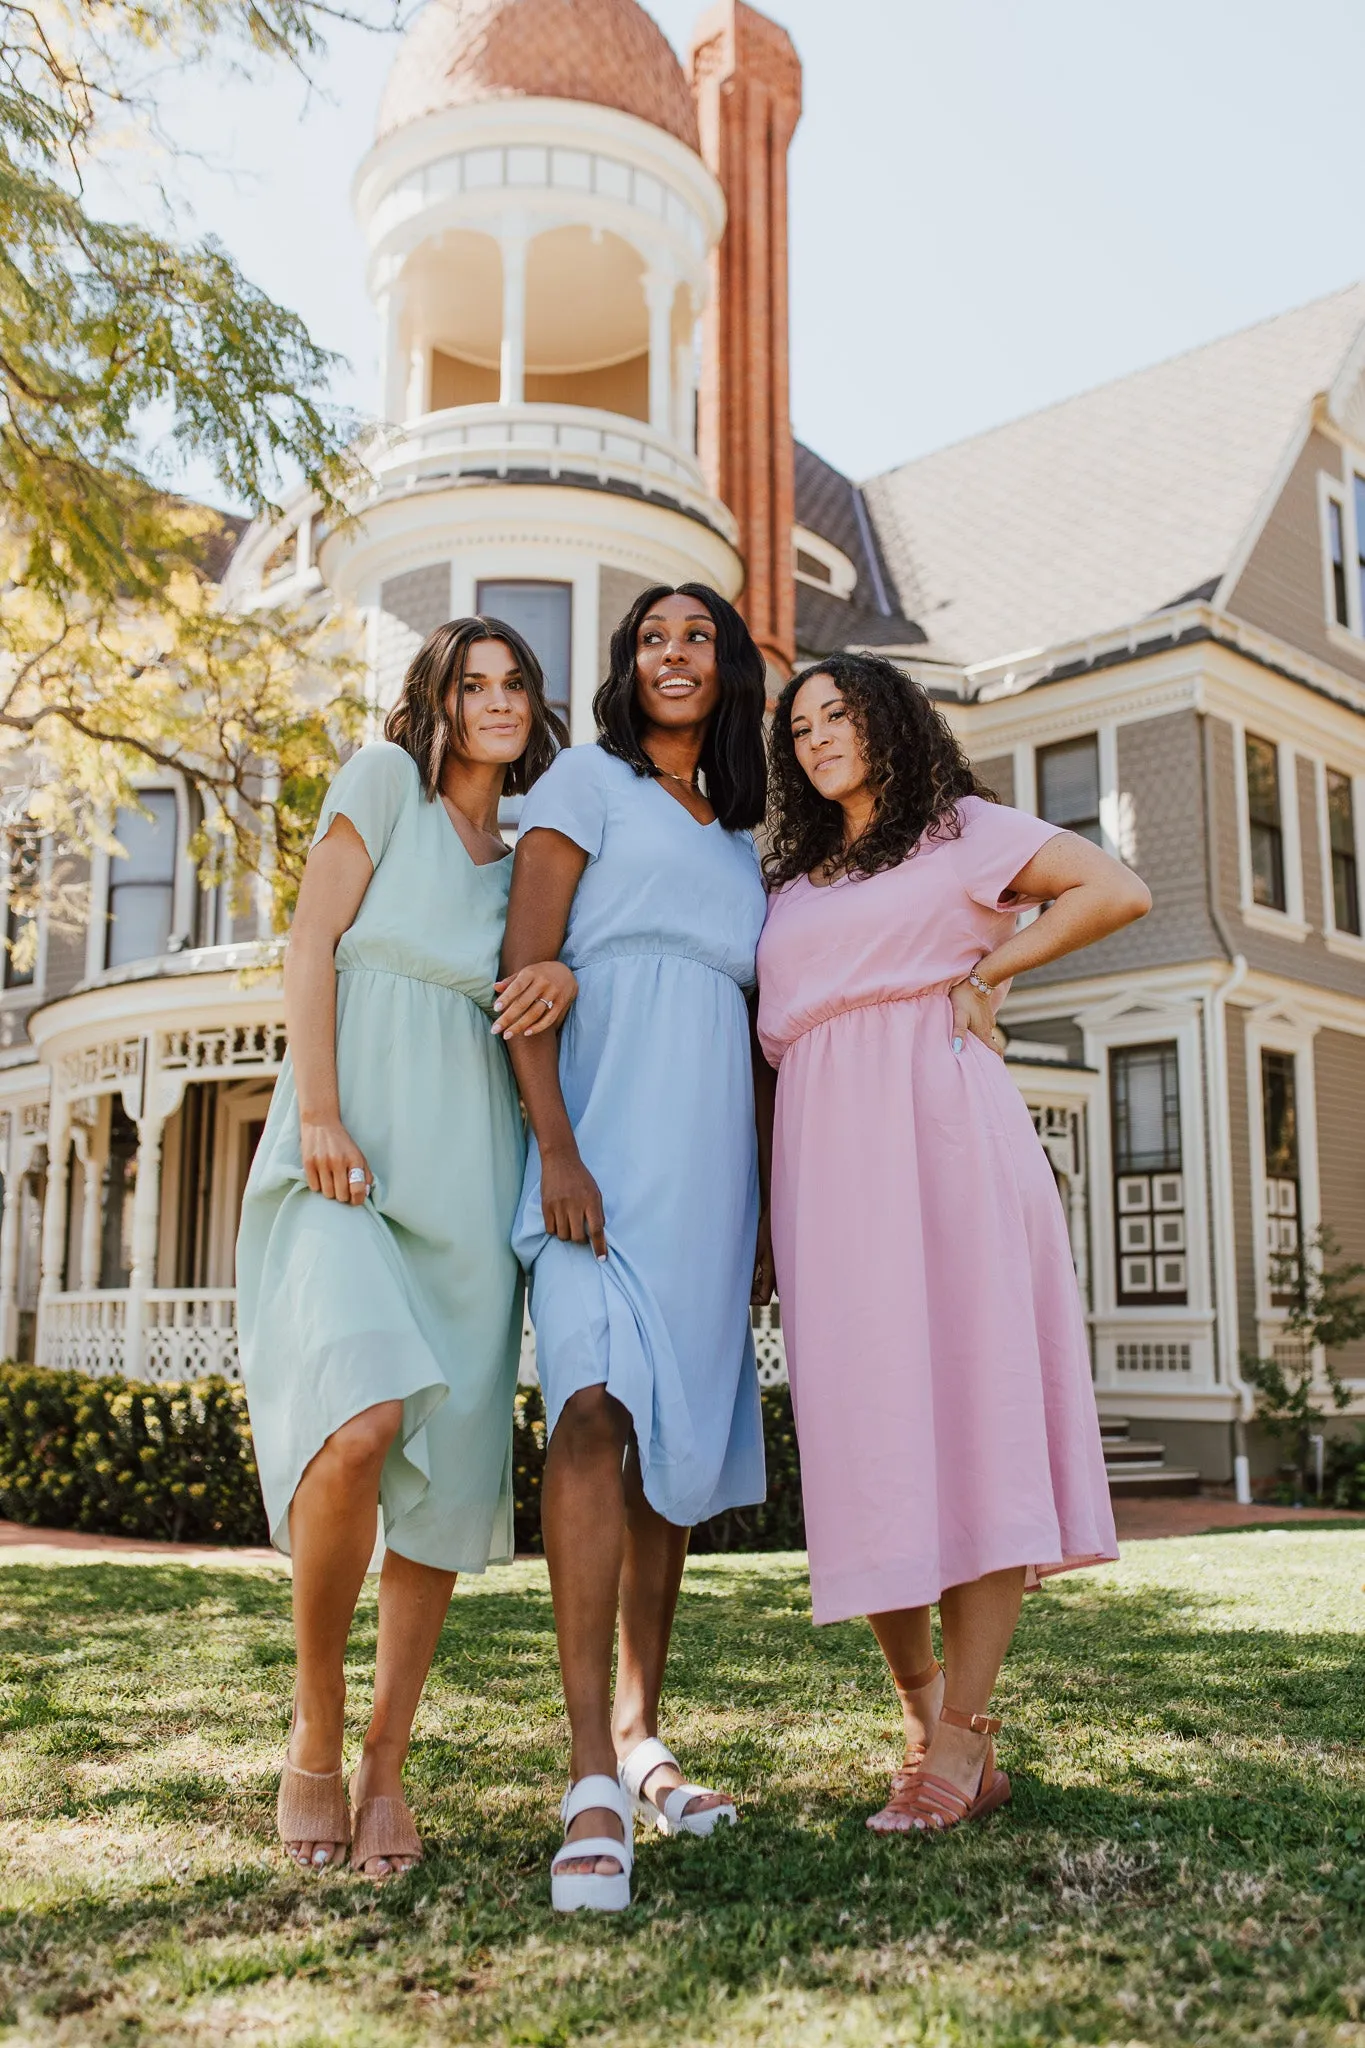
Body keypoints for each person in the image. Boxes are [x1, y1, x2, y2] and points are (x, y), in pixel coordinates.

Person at [757, 652, 1149, 1837]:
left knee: (975, 1421)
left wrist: (992, 969)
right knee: (865, 1434)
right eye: (803, 721)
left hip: (946, 1135)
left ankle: (965, 1736)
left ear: (890, 721)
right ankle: (928, 1717)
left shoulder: (960, 829)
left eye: (840, 712)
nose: (820, 733)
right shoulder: (791, 879)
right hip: (827, 1164)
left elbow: (1111, 886)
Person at [237, 617, 572, 1879]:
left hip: (472, 1175)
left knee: (436, 1493)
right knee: (362, 1420)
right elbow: (311, 940)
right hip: (348, 1155)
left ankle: (386, 1761)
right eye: (472, 682)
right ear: (436, 700)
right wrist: (316, 1108)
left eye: (513, 682)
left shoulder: (524, 855)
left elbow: (544, 983)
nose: (494, 700)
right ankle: (315, 1722)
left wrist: (568, 984)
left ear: (535, 708)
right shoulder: (382, 784)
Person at [502, 583, 772, 1913]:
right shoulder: (581, 785)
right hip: (594, 1157)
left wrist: (768, 1207)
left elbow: (761, 1021)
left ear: (727, 673)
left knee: (668, 1456)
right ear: (627, 664)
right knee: (592, 1413)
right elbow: (525, 970)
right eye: (653, 636)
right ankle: (587, 1776)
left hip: (710, 1169)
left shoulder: (743, 839)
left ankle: (646, 1733)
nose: (675, 654)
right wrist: (555, 1147)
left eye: (700, 638)